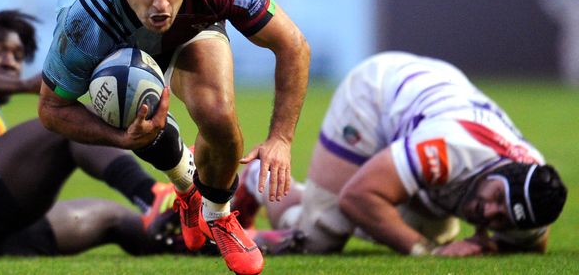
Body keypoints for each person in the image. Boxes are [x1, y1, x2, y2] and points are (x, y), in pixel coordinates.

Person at [38, 0, 310, 274]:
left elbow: (293, 45)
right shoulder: (85, 23)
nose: (161, 5)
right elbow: (52, 109)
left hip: (190, 30)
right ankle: (186, 185)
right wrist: (119, 138)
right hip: (117, 47)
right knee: (126, 101)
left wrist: (281, 138)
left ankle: (219, 217)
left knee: (217, 114)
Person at [232, 51, 567, 256]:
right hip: (375, 97)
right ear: (501, 170)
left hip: (428, 102)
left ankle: (321, 195)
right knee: (321, 234)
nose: (488, 212)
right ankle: (255, 180)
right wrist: (428, 252)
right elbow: (358, 198)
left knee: (433, 228)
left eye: (501, 218)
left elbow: (532, 240)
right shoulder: (451, 149)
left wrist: (486, 245)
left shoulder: (529, 192)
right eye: (496, 197)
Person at [0, 9, 175, 257]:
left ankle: (192, 233)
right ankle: (152, 197)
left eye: (18, 56)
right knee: (64, 123)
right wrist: (22, 84)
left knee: (114, 217)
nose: (10, 62)